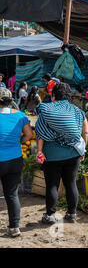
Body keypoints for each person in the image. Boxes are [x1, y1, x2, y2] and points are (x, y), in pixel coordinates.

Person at [35, 82, 88, 224]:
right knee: (71, 183)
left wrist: (39, 151)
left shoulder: (47, 111)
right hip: (74, 153)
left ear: (53, 96)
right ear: (69, 96)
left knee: (52, 184)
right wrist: (82, 149)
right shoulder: (77, 111)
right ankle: (72, 214)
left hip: (52, 155)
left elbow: (40, 133)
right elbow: (85, 130)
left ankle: (50, 215)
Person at [0, 87, 33, 237]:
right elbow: (29, 134)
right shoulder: (20, 115)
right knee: (12, 194)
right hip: (14, 160)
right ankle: (14, 227)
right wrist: (18, 142)